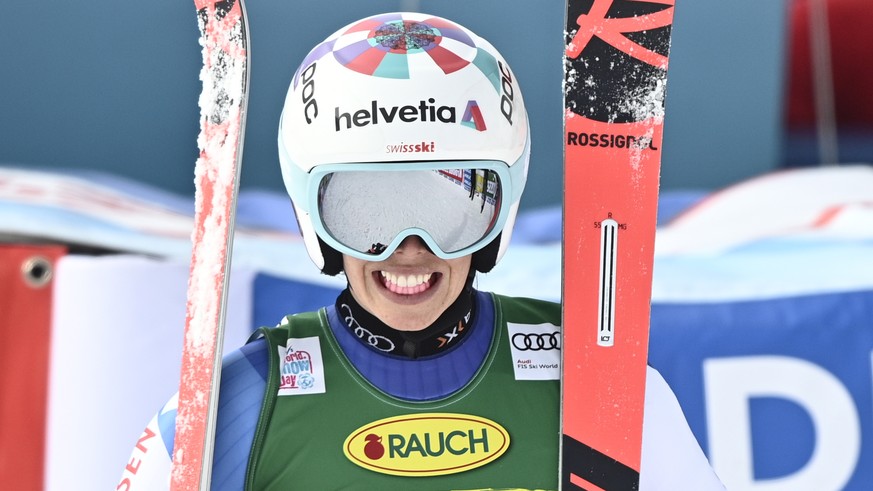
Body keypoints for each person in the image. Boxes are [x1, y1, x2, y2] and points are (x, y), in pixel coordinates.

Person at [119, 11, 724, 490]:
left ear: (500, 208)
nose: (410, 250)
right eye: (365, 212)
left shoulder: (600, 384)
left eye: (447, 208)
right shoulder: (244, 406)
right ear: (314, 215)